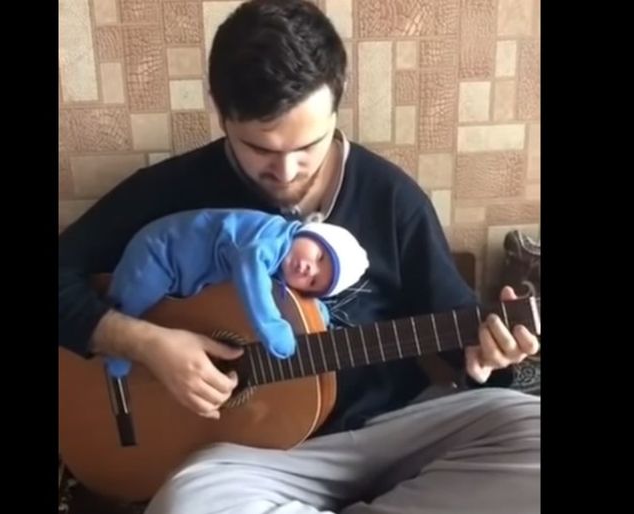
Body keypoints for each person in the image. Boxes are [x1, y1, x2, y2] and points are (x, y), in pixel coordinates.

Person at [57, 0, 541, 512]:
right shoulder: (170, 192)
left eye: (308, 145)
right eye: (259, 149)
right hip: (254, 460)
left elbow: (458, 336)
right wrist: (145, 343)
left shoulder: (391, 198)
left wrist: (490, 354)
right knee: (186, 503)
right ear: (221, 112)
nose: (286, 172)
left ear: (339, 102)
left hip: (397, 431)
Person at [101, 208, 369, 396]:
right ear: (308, 233)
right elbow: (251, 270)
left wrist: (316, 315)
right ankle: (116, 353)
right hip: (161, 251)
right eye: (319, 256)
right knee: (131, 301)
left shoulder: (283, 265)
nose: (309, 269)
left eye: (314, 283)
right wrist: (272, 326)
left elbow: (281, 291)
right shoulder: (272, 238)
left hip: (187, 279)